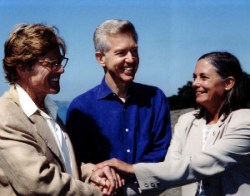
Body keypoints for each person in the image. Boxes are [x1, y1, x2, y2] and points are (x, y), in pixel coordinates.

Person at [95, 51, 250, 195]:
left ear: (228, 83)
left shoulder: (245, 122)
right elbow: (169, 172)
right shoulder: (186, 121)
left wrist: (131, 168)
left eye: (204, 77)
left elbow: (201, 164)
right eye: (194, 77)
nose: (195, 83)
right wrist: (114, 191)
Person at [0, 23, 123, 196]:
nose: (61, 69)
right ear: (22, 68)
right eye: (52, 64)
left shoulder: (48, 110)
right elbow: (39, 183)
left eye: (60, 62)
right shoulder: (5, 115)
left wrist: (94, 172)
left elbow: (65, 165)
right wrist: (95, 192)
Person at [66, 19, 172, 187]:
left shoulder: (155, 98)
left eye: (134, 51)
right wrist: (106, 178)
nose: (131, 59)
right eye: (121, 53)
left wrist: (129, 171)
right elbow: (78, 162)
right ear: (101, 58)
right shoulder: (81, 107)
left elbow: (162, 151)